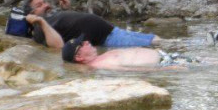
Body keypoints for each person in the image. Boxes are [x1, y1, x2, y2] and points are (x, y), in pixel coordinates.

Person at [22, 0, 162, 49]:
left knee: (156, 40)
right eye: (39, 5)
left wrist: (67, 9)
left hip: (112, 31)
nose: (46, 5)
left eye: (45, 1)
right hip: (107, 39)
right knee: (155, 45)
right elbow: (58, 46)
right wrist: (40, 22)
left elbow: (72, 25)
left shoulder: (51, 18)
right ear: (31, 13)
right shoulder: (40, 28)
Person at [62, 34, 195, 70]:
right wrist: (168, 69)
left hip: (166, 57)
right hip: (166, 63)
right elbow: (133, 70)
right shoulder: (102, 65)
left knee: (208, 61)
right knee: (209, 63)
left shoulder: (100, 59)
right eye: (82, 44)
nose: (86, 42)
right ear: (79, 57)